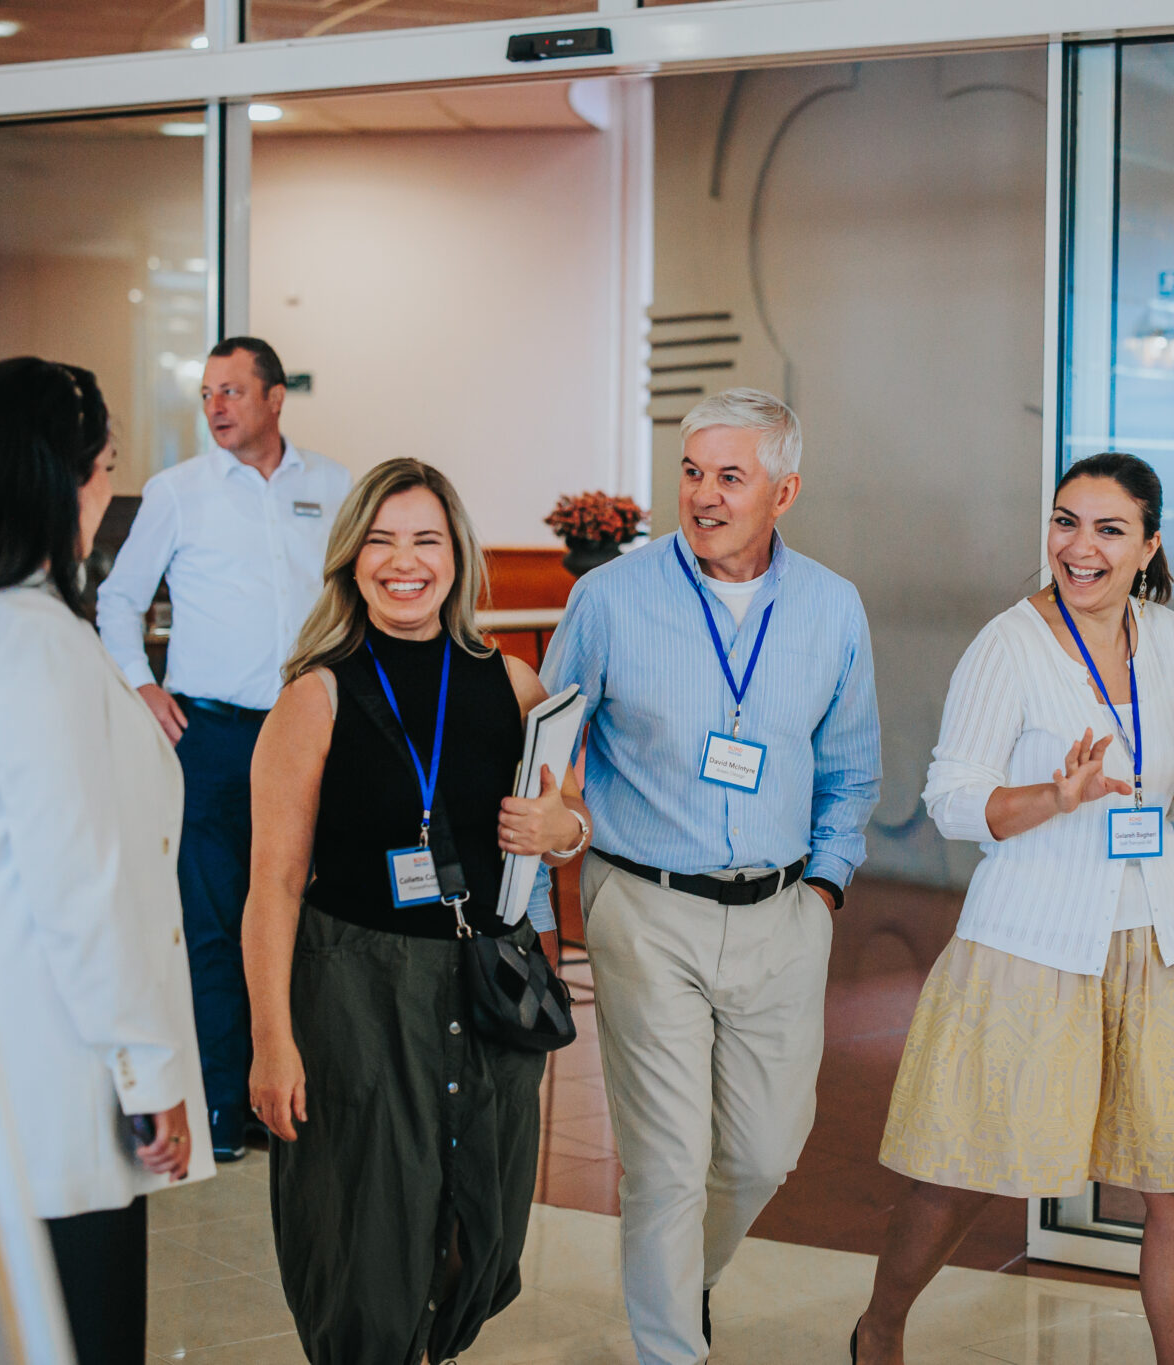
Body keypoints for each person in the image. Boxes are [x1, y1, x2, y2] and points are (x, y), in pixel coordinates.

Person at [856, 452, 1174, 1365]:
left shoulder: (1167, 635)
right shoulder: (1007, 645)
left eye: (1107, 528)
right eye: (1065, 522)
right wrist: (1054, 796)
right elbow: (952, 799)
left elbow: (1163, 791)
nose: (1079, 547)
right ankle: (881, 1327)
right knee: (965, 1174)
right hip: (1031, 940)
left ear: (1149, 544)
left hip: (1155, 937)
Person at [539, 388, 881, 1365]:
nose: (702, 495)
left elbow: (851, 764)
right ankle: (668, 1347)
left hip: (781, 910)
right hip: (643, 903)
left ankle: (678, 1289)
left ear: (784, 490)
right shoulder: (609, 599)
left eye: (730, 476)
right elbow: (550, 759)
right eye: (691, 472)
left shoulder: (828, 606)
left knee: (760, 1154)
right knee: (666, 1166)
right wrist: (540, 896)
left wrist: (822, 891)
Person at [243, 459, 590, 1365]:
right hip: (359, 993)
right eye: (383, 540)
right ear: (352, 557)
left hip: (487, 990)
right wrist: (272, 1038)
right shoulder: (313, 697)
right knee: (366, 1234)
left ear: (457, 555)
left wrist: (558, 828)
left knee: (479, 1227)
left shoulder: (513, 684)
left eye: (426, 540)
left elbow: (570, 818)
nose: (405, 561)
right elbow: (273, 884)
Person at [0, 357, 211, 1365]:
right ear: (51, 479)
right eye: (103, 473)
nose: (106, 502)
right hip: (63, 1072)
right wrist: (148, 1068)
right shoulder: (30, 641)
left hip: (2, 1061)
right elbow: (81, 889)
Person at [96, 335, 351, 1162]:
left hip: (308, 732)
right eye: (207, 393)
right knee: (209, 923)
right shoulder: (179, 491)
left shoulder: (335, 486)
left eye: (233, 391)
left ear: (276, 399)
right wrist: (141, 683)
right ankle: (217, 1105)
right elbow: (118, 599)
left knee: (302, 917)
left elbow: (356, 597)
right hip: (209, 737)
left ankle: (287, 1097)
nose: (216, 406)